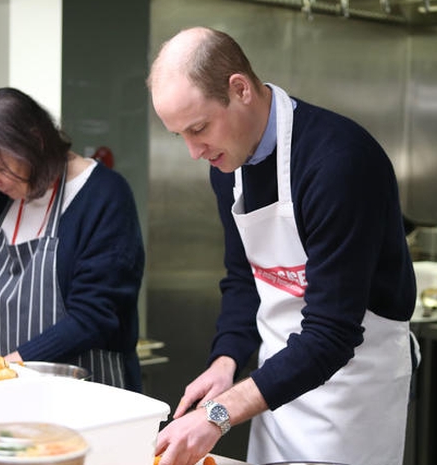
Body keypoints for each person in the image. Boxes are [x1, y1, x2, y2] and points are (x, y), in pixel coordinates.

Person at [147, 27, 418, 465]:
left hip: (350, 395)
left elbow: (332, 334)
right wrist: (227, 359)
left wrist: (218, 414)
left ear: (240, 89)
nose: (194, 152)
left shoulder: (338, 163)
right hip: (275, 389)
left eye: (199, 128)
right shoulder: (227, 164)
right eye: (181, 136)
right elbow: (244, 279)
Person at [0, 87, 144, 391]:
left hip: (87, 395)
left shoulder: (104, 196)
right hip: (4, 388)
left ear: (35, 143)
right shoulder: (4, 197)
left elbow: (93, 318)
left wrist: (7, 367)